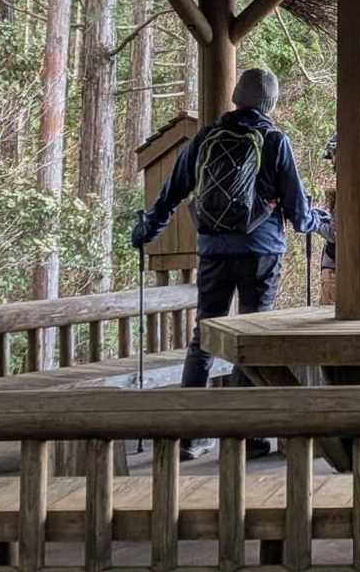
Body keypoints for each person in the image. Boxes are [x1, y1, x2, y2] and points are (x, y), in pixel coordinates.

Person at [132, 68, 330, 460]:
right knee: (252, 340)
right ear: (270, 103)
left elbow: (172, 193)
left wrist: (147, 231)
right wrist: (320, 223)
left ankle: (191, 437)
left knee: (205, 337)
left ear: (237, 97)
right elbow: (298, 210)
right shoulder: (274, 141)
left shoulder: (206, 138)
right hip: (261, 252)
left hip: (213, 251)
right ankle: (246, 436)